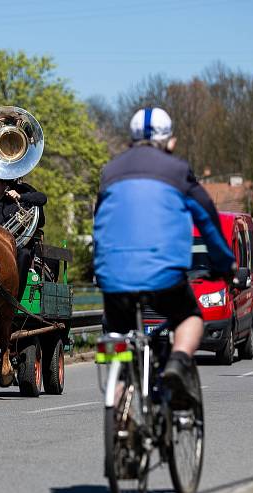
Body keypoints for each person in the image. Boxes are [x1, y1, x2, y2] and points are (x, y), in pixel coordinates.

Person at [93, 107, 236, 405]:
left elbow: (100, 224)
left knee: (119, 337)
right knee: (189, 318)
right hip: (163, 274)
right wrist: (225, 264)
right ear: (170, 142)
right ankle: (177, 364)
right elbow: (208, 221)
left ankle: (118, 406)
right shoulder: (177, 171)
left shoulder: (110, 172)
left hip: (113, 275)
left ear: (130, 140)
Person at [0, 174, 47, 298]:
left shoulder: (16, 202)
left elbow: (42, 198)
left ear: (5, 185)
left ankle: (15, 299)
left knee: (24, 254)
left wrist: (20, 196)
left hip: (14, 249)